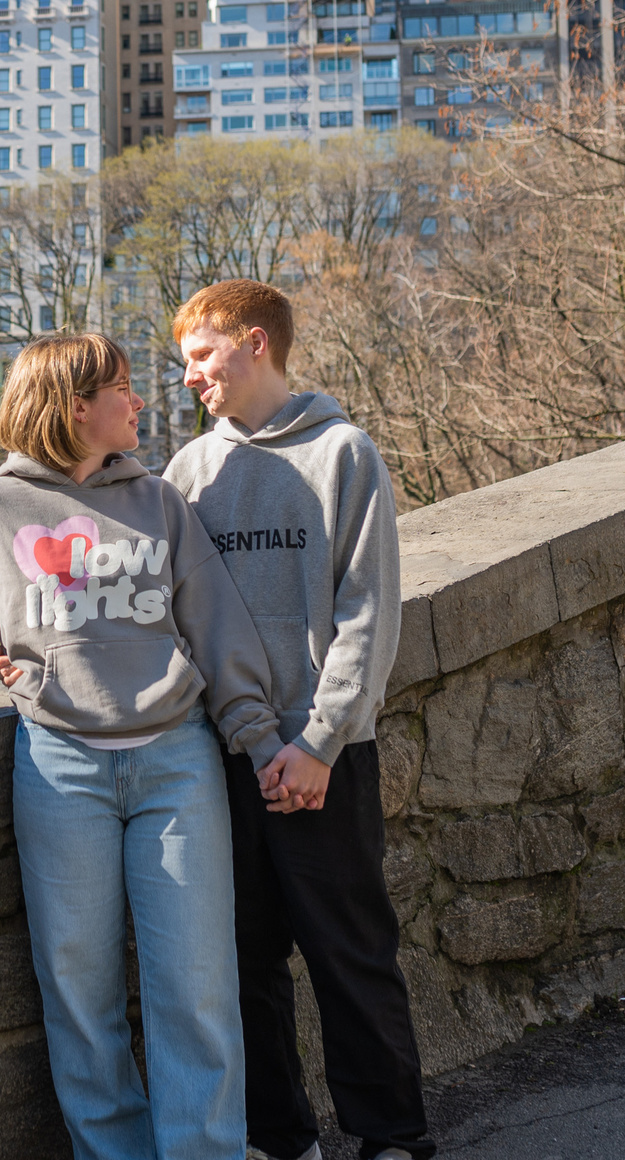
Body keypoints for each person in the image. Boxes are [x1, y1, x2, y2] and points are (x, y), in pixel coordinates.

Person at [0, 330, 295, 1160]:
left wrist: (257, 740)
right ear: (75, 407)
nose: (141, 399)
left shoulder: (158, 503)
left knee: (195, 986)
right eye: (122, 386)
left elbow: (219, 631)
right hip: (60, 768)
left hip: (176, 763)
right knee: (80, 991)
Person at [167, 280, 431, 1160]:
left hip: (325, 758)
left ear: (253, 343)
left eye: (201, 357)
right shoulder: (189, 472)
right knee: (242, 959)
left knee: (349, 953)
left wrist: (317, 743)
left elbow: (369, 613)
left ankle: (393, 1138)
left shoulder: (345, 455)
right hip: (224, 755)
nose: (192, 377)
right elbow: (154, 602)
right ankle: (279, 1140)